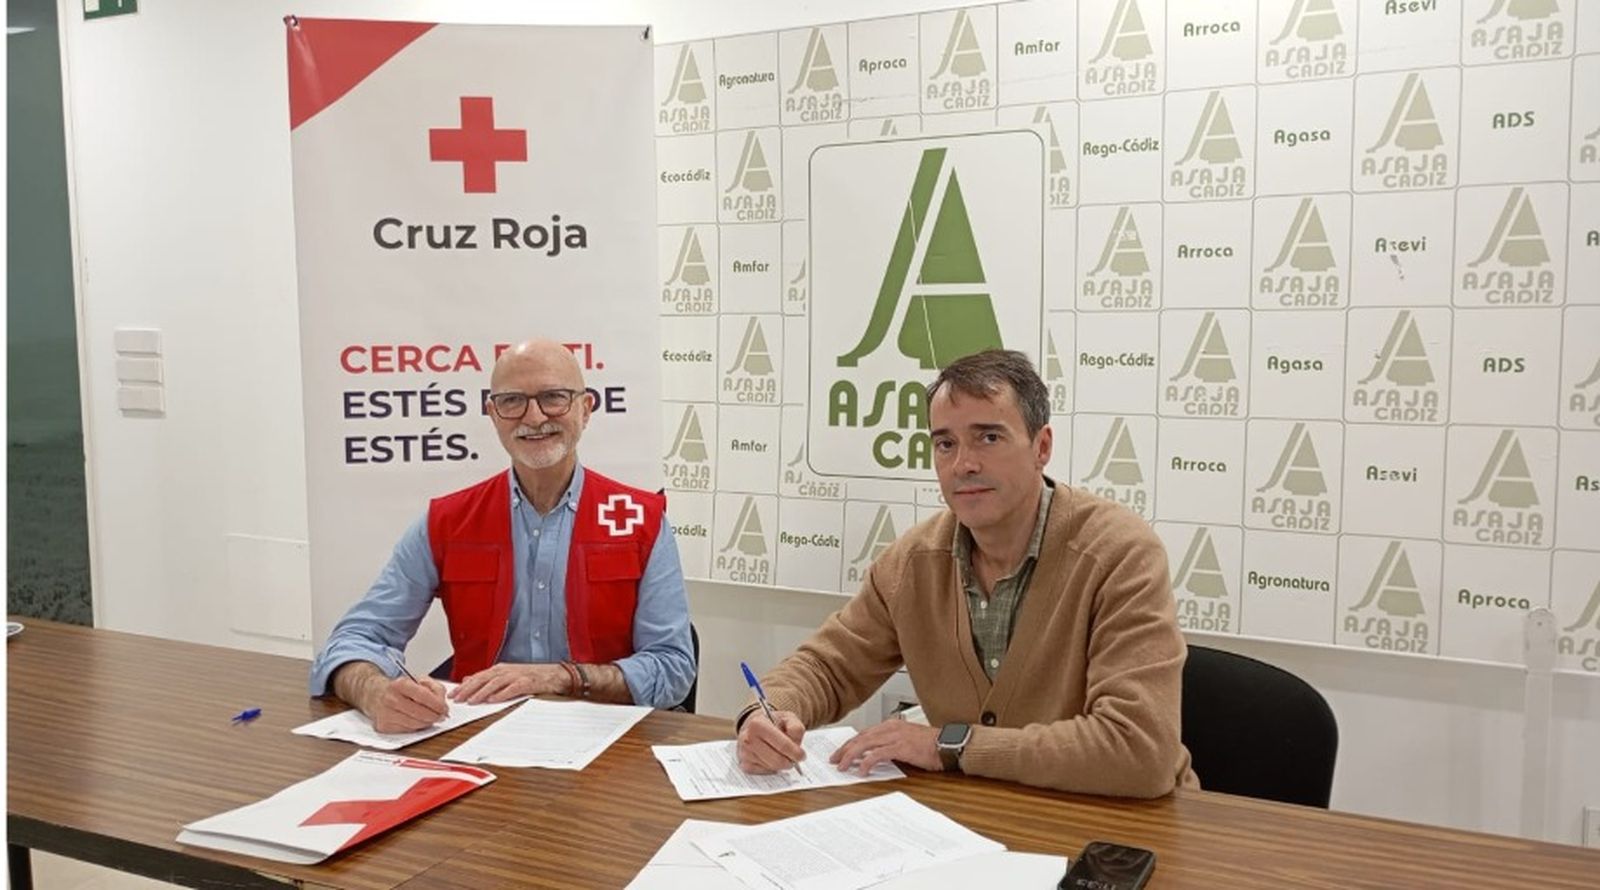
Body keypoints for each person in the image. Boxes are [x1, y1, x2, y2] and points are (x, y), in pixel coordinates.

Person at [735, 349, 1195, 797]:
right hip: (985, 815)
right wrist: (766, 712)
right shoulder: (912, 561)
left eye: (988, 437)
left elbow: (1139, 751)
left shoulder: (1120, 554)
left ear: (1042, 447)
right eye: (945, 444)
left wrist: (950, 745)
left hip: (1122, 827)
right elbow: (828, 667)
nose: (963, 464)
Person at [309, 339, 696, 731]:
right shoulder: (447, 521)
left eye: (554, 397)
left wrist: (559, 677)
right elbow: (354, 639)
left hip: (607, 743)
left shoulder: (641, 520)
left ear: (586, 409)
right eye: (513, 401)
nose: (533, 417)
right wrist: (375, 692)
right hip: (477, 739)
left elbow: (674, 667)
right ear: (493, 414)